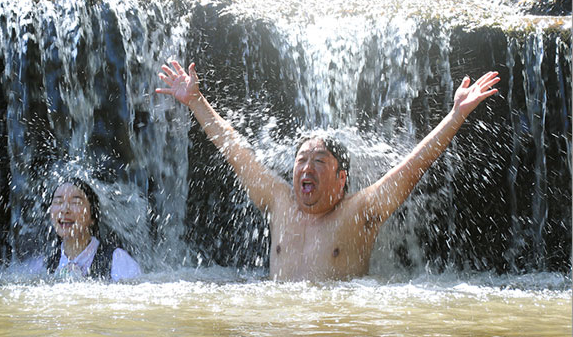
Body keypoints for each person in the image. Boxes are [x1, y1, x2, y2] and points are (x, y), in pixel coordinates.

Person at [156, 60, 500, 281]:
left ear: (341, 179)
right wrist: (196, 101)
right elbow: (234, 149)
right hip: (282, 336)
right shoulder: (280, 201)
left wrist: (455, 116)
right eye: (302, 160)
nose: (307, 168)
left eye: (319, 162)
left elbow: (413, 166)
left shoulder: (359, 211)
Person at [42, 178, 142, 282]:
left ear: (93, 216)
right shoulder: (43, 264)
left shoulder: (118, 261)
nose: (64, 209)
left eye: (75, 202)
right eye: (58, 202)